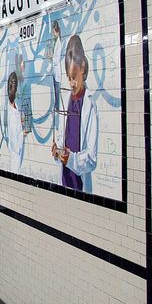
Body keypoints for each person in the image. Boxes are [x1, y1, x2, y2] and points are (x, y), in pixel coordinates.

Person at [51, 34, 98, 192]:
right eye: (68, 78)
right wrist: (57, 152)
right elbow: (61, 141)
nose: (71, 84)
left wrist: (70, 159)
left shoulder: (90, 105)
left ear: (83, 67)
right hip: (64, 180)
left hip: (81, 185)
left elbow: (91, 159)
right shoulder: (66, 100)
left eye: (74, 77)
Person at [6, 71, 27, 173]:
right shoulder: (12, 114)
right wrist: (23, 134)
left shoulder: (14, 107)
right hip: (16, 156)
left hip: (17, 153)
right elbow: (14, 143)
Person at [51, 21, 63, 114]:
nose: (53, 34)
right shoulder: (56, 43)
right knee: (55, 90)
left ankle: (57, 107)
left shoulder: (59, 43)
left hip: (56, 70)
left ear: (57, 32)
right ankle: (56, 106)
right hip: (55, 71)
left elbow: (57, 59)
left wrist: (52, 58)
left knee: (57, 90)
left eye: (54, 32)